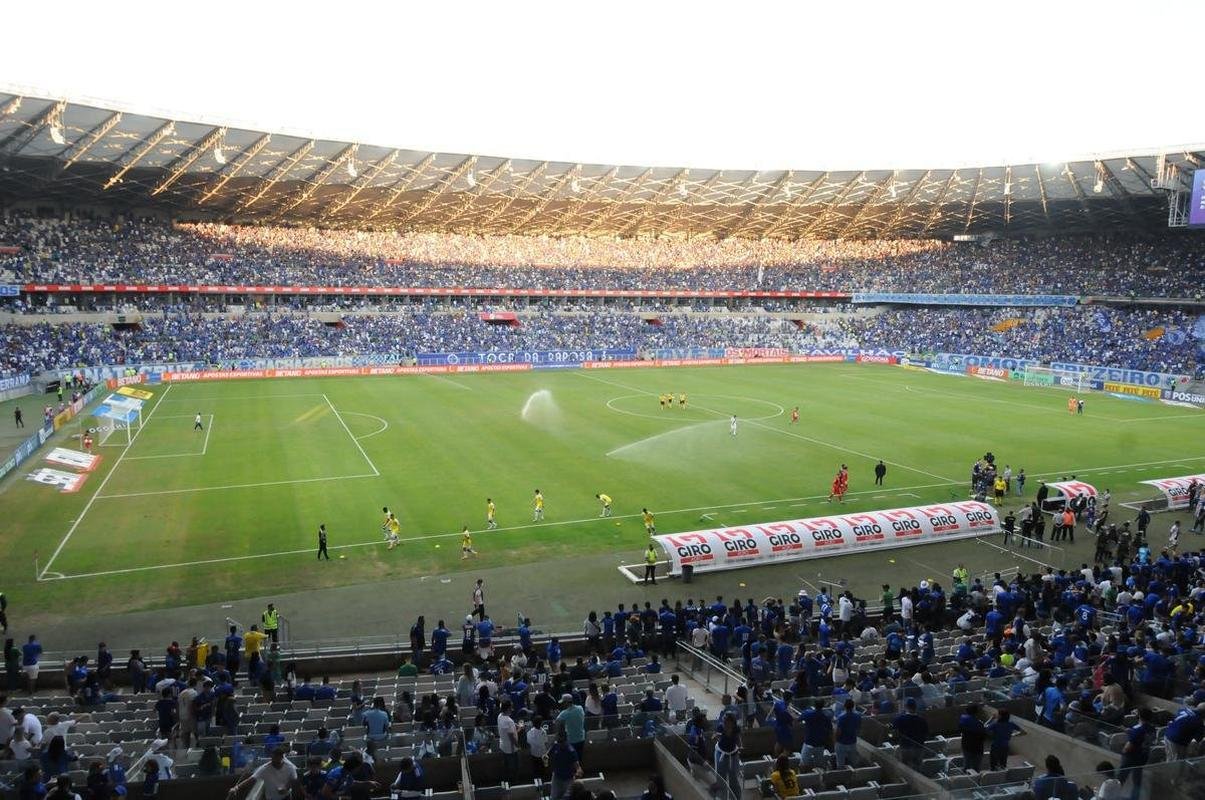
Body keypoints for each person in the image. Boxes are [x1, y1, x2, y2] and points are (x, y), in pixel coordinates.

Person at [227, 748, 298, 800]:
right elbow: (251, 779)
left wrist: (286, 788)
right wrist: (236, 788)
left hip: (286, 797)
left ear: (282, 758)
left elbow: (293, 780)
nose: (273, 761)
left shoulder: (290, 767)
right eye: (272, 758)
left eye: (276, 759)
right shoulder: (265, 769)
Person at [1119, 707, 1153, 800]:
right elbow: (1141, 737)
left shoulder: (1137, 730)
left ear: (1139, 716)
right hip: (1142, 757)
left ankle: (1112, 796)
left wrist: (1123, 751)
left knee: (1119, 780)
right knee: (1137, 781)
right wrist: (1129, 731)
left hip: (1130, 758)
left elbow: (1128, 747)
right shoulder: (1151, 728)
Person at [892, 698, 928, 771]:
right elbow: (926, 734)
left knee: (905, 769)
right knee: (917, 769)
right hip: (919, 748)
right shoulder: (922, 720)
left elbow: (893, 731)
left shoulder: (900, 719)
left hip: (905, 747)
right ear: (915, 707)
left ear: (906, 707)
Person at [714, 713, 742, 800]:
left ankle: (736, 798)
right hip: (721, 753)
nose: (724, 723)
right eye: (724, 721)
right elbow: (717, 737)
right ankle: (722, 797)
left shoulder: (736, 729)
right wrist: (720, 737)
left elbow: (738, 739)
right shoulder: (720, 727)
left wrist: (739, 746)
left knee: (734, 778)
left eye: (726, 721)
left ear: (732, 722)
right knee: (721, 778)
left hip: (733, 754)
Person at [958, 704, 986, 773]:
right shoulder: (979, 723)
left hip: (966, 745)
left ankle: (964, 777)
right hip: (977, 747)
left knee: (966, 764)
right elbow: (983, 736)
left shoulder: (962, 718)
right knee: (976, 767)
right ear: (976, 712)